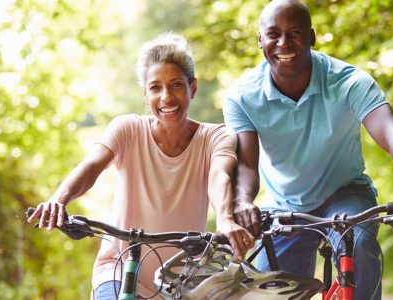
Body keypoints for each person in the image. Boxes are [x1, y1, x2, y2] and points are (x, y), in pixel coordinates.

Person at [222, 0, 393, 299]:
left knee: (356, 243)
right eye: (273, 34)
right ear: (260, 40)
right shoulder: (242, 96)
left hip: (346, 193)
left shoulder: (348, 81)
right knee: (266, 290)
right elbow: (247, 166)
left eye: (294, 33)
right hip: (285, 205)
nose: (283, 43)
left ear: (312, 37)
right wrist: (242, 202)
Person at [27, 33, 255, 299]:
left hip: (182, 278)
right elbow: (90, 166)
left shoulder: (215, 137)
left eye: (176, 85)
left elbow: (220, 176)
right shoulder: (127, 129)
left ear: (193, 87)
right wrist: (59, 199)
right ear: (145, 95)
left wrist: (226, 220)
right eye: (155, 87)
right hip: (118, 268)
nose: (166, 97)